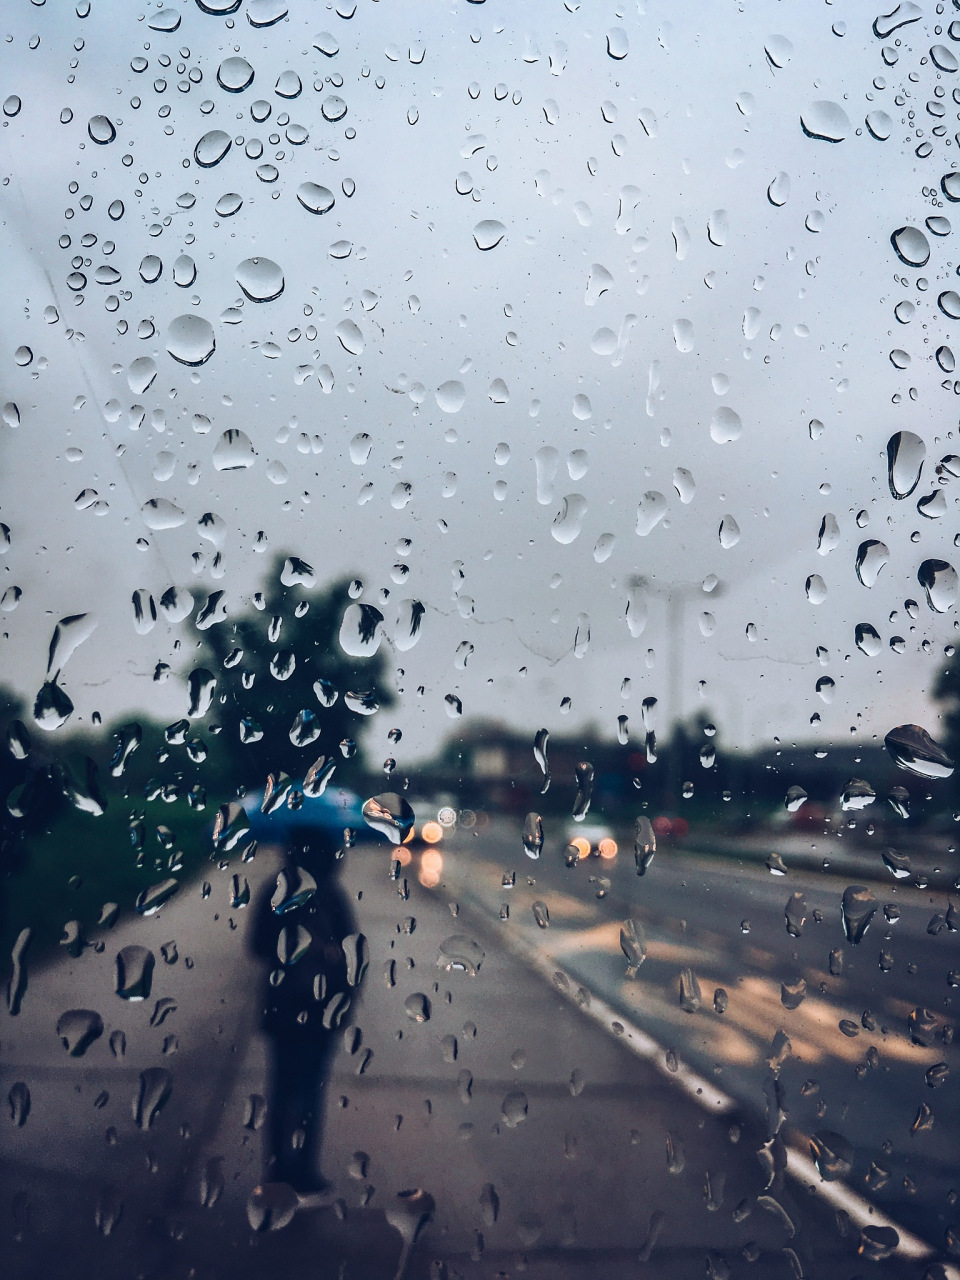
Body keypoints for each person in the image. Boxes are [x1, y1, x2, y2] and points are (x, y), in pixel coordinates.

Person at [249, 830, 356, 1193]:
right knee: (309, 1090)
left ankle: (279, 1169)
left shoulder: (276, 890)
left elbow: (257, 945)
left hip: (284, 1006)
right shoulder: (332, 896)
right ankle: (303, 1172)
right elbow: (353, 955)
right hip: (320, 1008)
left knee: (283, 1087)